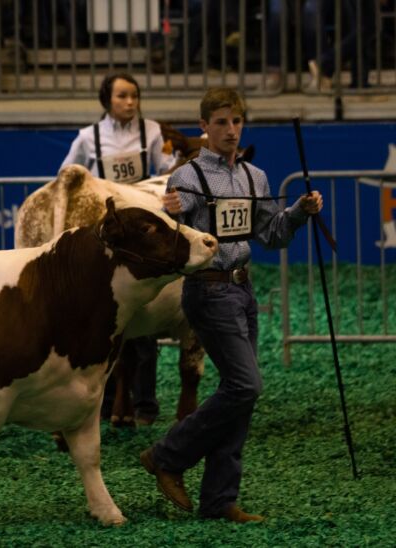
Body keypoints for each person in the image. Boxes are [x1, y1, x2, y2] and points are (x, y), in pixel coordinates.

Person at [140, 87, 323, 522]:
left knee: (241, 395)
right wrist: (173, 214)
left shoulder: (253, 177)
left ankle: (219, 500)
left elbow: (271, 235)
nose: (230, 130)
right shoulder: (187, 178)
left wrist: (298, 211)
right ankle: (168, 455)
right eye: (220, 122)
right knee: (246, 386)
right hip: (207, 291)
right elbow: (174, 239)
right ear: (204, 127)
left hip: (243, 289)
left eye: (236, 121)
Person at [60, 72, 176, 424]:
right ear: (107, 100)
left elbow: (168, 169)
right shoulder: (88, 137)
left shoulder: (153, 132)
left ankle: (145, 404)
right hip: (106, 240)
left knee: (143, 313)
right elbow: (67, 173)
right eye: (123, 96)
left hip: (142, 237)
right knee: (106, 321)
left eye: (134, 95)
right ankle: (108, 402)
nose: (130, 102)